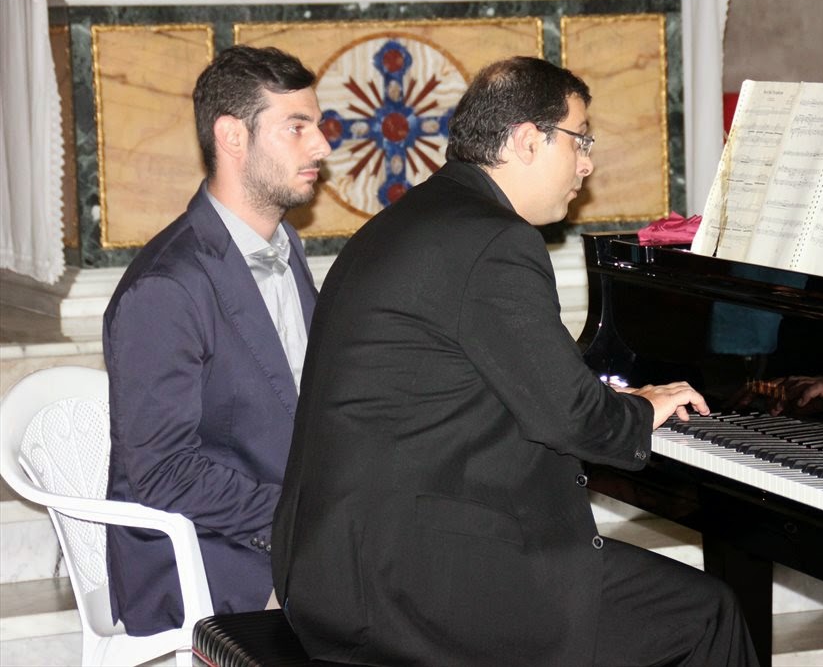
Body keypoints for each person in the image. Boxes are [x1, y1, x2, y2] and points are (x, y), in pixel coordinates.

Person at [273, 56, 761, 666]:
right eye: (580, 140)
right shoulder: (495, 241)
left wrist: (611, 402)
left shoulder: (414, 219)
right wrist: (638, 410)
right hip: (412, 585)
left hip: (341, 566)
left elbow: (512, 384)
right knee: (706, 614)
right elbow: (572, 418)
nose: (587, 163)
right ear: (530, 140)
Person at [103, 45, 330, 635]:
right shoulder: (166, 288)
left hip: (283, 525)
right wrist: (301, 523)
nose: (321, 146)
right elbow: (164, 472)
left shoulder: (285, 247)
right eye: (297, 127)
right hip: (207, 555)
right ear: (233, 136)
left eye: (317, 125)